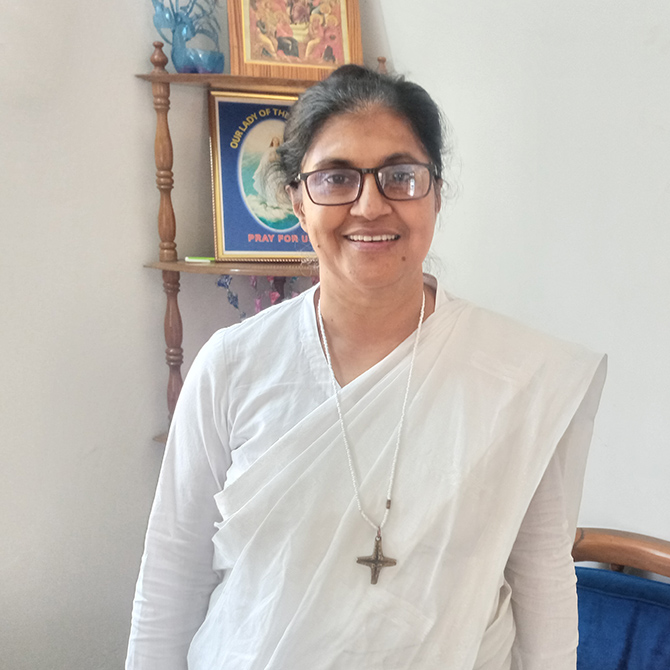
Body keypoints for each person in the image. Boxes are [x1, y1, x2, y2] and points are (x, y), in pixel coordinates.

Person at [126, 65, 607, 670]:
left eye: (400, 176)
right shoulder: (232, 366)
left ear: (436, 192)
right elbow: (173, 574)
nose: (371, 205)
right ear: (297, 201)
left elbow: (541, 580)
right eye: (336, 178)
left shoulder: (513, 377)